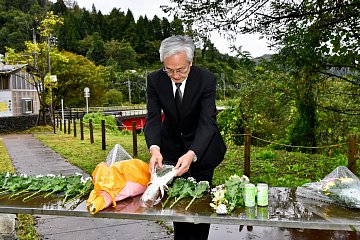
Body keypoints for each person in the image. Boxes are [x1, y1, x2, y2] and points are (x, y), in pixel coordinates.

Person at [144, 35, 227, 240]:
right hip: (172, 148)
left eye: (181, 69)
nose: (175, 75)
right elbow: (153, 117)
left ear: (190, 62)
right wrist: (154, 148)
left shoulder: (206, 79)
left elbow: (208, 121)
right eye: (169, 69)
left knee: (200, 207)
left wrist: (193, 153)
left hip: (203, 148)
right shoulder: (155, 80)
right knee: (178, 205)